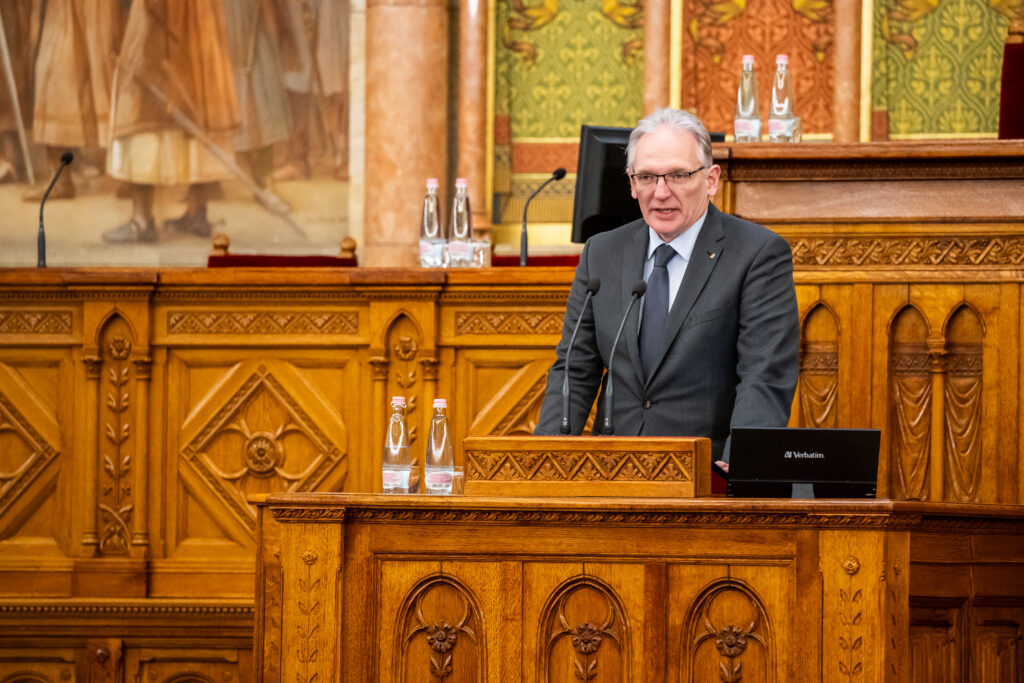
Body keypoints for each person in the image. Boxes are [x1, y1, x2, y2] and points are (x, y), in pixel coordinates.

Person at [534, 108, 799, 467]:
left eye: (678, 175)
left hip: (706, 475)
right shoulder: (602, 253)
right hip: (612, 471)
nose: (660, 192)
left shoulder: (757, 254)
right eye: (646, 177)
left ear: (710, 179)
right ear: (631, 183)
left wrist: (742, 464)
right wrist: (544, 460)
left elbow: (764, 373)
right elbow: (574, 368)